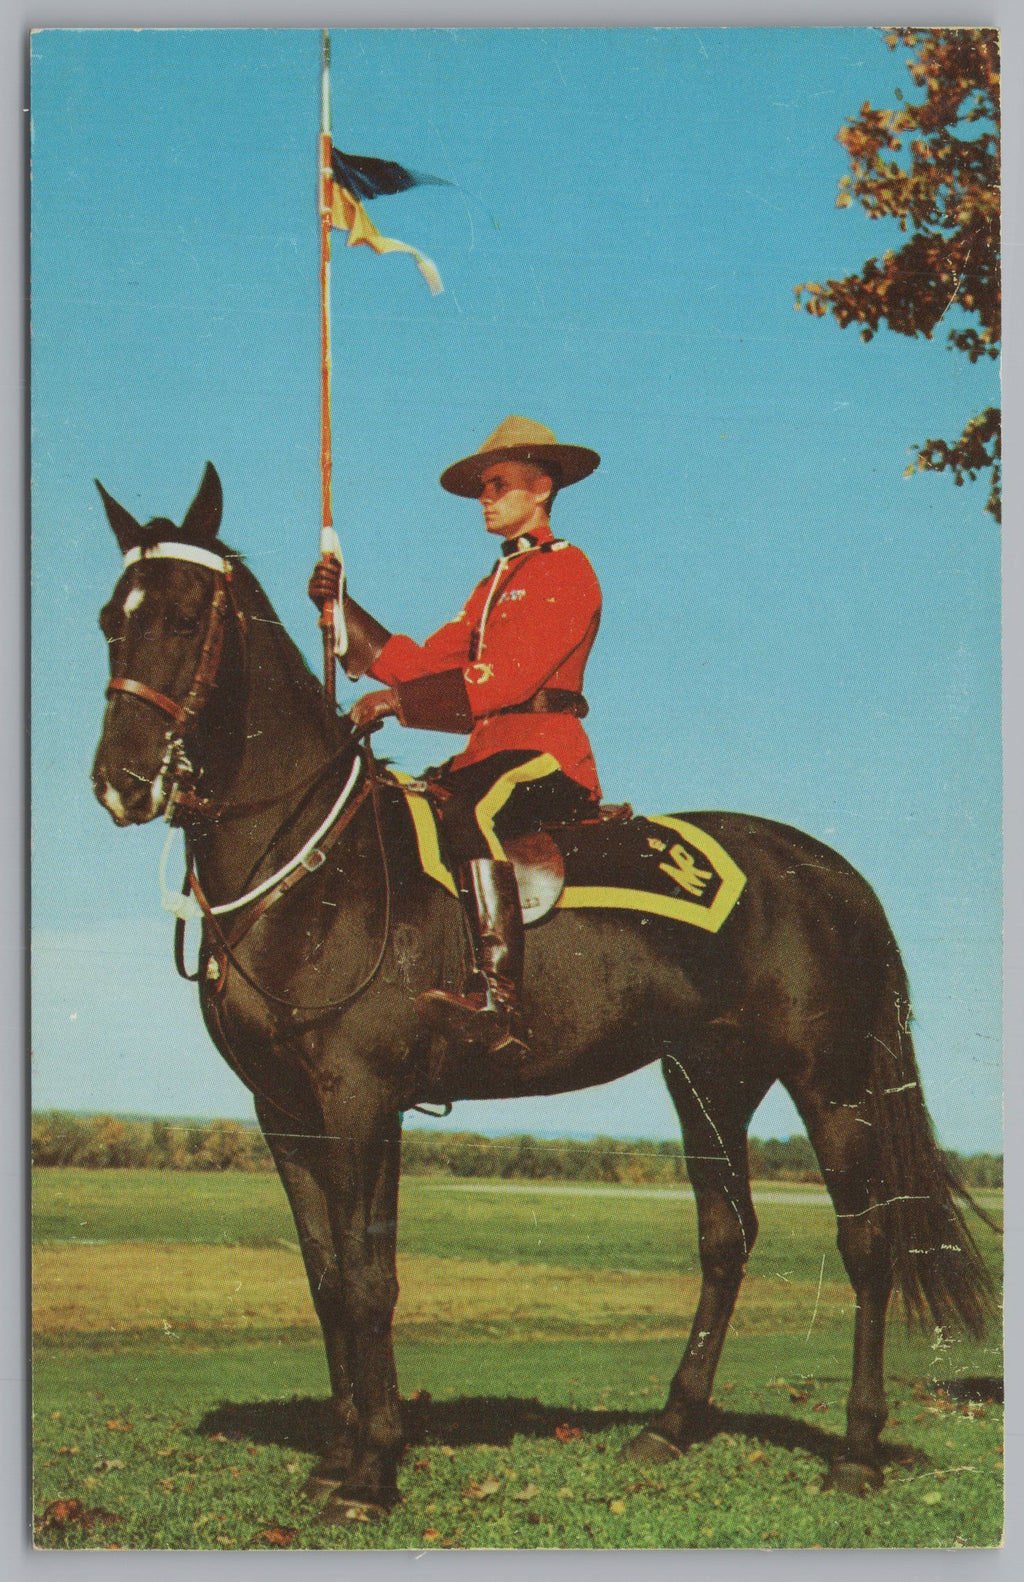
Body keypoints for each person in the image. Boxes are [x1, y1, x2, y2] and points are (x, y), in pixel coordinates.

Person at [309, 415, 603, 1061]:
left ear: (542, 486)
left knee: (474, 808)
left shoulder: (566, 568)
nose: (485, 497)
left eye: (497, 483)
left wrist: (395, 703)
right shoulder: (488, 589)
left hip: (546, 755)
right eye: (482, 487)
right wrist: (340, 610)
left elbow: (505, 679)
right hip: (489, 754)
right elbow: (425, 664)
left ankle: (501, 999)